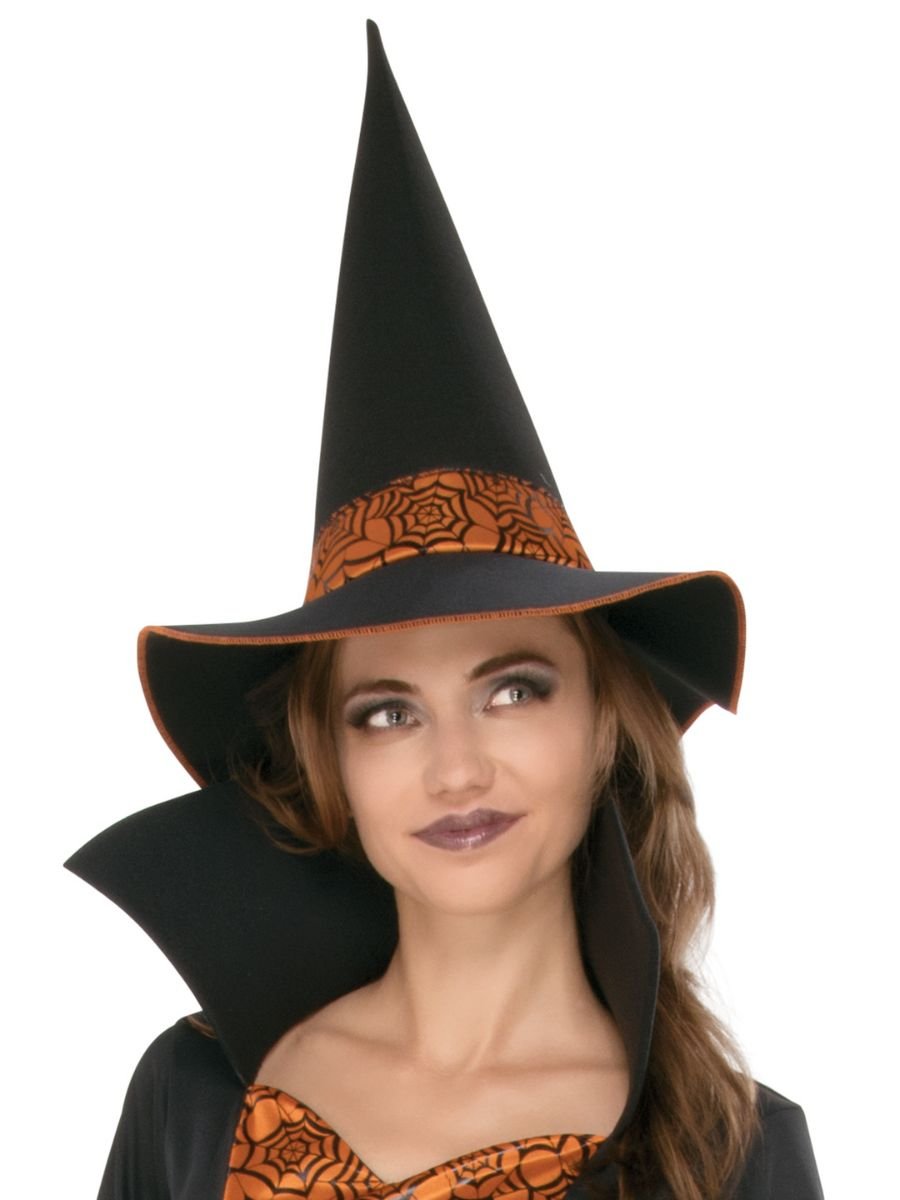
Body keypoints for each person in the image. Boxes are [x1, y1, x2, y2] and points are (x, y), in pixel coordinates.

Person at [67, 21, 824, 1200]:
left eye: (513, 688)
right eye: (386, 712)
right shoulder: (195, 1096)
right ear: (328, 762)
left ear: (604, 719)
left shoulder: (729, 1155)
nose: (456, 768)